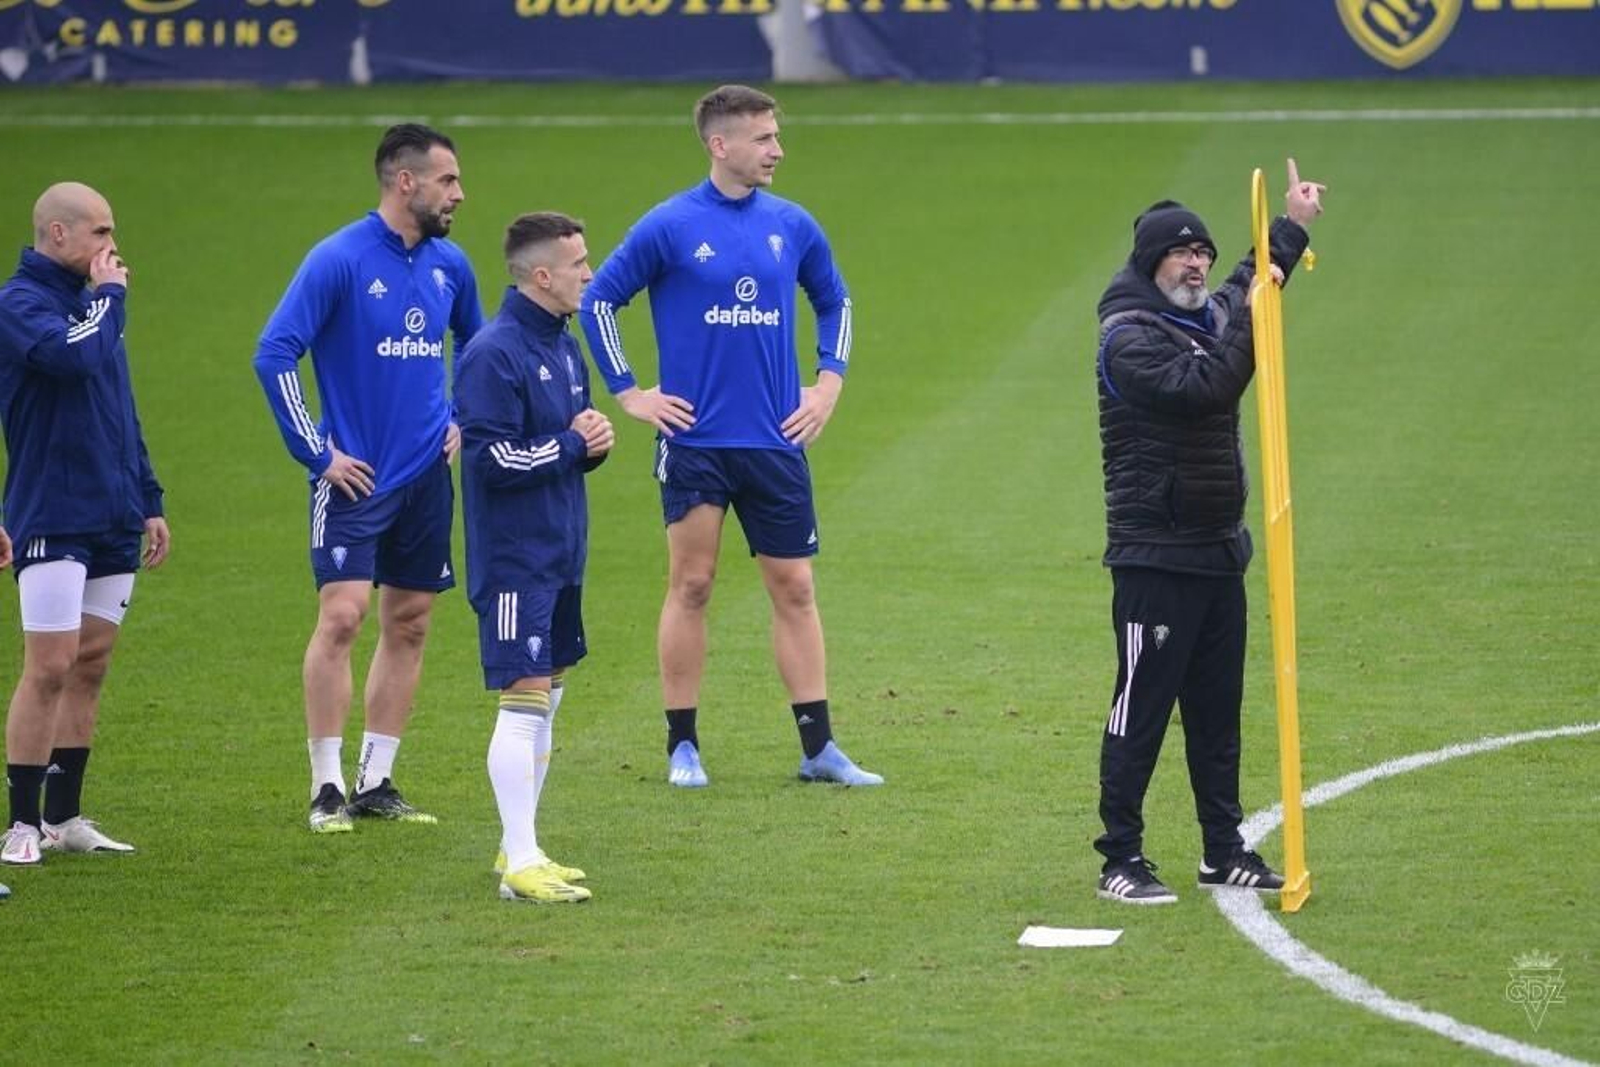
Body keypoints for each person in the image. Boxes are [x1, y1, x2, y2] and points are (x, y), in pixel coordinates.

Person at [579, 85, 881, 790]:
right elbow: (598, 301)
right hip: (696, 443)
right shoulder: (669, 225)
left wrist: (828, 384)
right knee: (692, 583)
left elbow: (835, 299)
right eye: (764, 137)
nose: (777, 148)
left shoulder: (793, 223)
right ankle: (682, 745)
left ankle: (819, 748)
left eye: (776, 136)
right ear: (721, 144)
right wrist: (630, 392)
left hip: (777, 440)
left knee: (795, 587)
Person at [1091, 159, 1326, 904]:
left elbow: (1246, 281)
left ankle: (1222, 850)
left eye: (1201, 252)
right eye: (1180, 252)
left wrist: (1290, 223)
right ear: (1150, 262)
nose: (1196, 263)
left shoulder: (1210, 315)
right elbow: (1209, 387)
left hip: (1220, 550)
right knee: (1142, 711)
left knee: (1218, 715)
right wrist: (1262, 310)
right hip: (1155, 556)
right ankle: (1120, 858)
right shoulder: (1127, 338)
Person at [254, 124, 483, 833]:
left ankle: (376, 780)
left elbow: (480, 349)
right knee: (344, 615)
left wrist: (463, 417)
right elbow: (275, 353)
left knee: (410, 622)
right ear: (404, 182)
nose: (459, 194)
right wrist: (318, 453)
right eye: (448, 181)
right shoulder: (339, 258)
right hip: (352, 478)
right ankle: (325, 785)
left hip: (425, 479)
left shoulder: (452, 265)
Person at [0, 182, 171, 869]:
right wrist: (107, 299)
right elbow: (70, 361)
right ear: (59, 236)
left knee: (91, 663)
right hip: (51, 509)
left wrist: (149, 496)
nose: (112, 246)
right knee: (49, 664)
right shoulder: (19, 304)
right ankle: (19, 822)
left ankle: (65, 815)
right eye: (100, 232)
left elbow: (116, 400)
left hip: (112, 510)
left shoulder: (96, 306)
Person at [457, 212, 614, 903]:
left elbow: (555, 447)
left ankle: (519, 844)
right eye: (579, 262)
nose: (590, 272)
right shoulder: (494, 353)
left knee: (546, 696)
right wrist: (574, 446)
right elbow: (490, 460)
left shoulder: (564, 344)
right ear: (542, 275)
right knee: (522, 701)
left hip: (560, 551)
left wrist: (591, 445)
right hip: (516, 559)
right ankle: (520, 859)